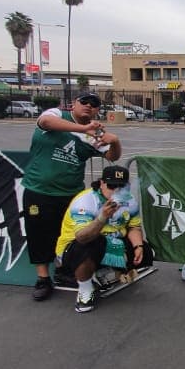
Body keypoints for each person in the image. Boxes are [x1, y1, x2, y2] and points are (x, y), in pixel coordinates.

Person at [23, 91, 122, 301]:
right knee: (39, 233)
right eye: (84, 101)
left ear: (97, 110)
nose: (88, 105)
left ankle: (65, 270)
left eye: (94, 104)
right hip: (39, 188)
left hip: (71, 193)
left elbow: (112, 156)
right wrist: (82, 128)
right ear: (74, 104)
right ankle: (42, 278)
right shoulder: (57, 114)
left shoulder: (92, 134)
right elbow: (45, 121)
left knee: (71, 234)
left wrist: (114, 142)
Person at [55, 165, 153, 313]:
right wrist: (102, 217)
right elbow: (82, 237)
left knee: (146, 252)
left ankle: (103, 272)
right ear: (101, 183)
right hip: (77, 247)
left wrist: (137, 246)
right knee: (92, 243)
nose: (116, 191)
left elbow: (134, 227)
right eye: (112, 186)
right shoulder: (86, 201)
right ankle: (85, 290)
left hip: (111, 242)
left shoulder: (130, 200)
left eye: (121, 186)